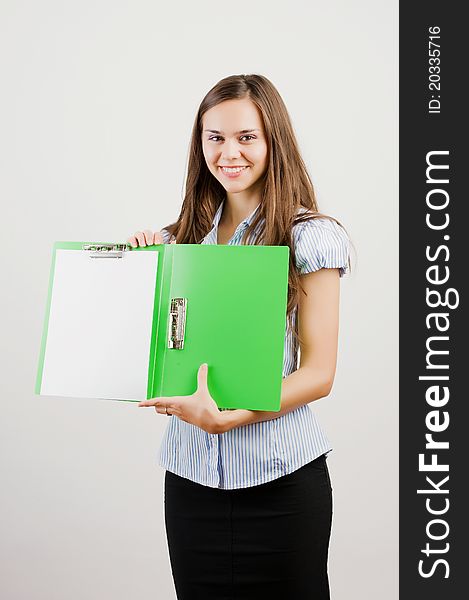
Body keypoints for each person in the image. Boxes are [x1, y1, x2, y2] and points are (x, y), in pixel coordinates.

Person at [128, 74, 351, 600]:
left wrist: (230, 419)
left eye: (246, 137)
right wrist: (136, 266)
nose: (229, 152)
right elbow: (157, 350)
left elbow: (319, 374)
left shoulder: (309, 236)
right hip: (190, 485)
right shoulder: (180, 242)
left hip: (282, 485)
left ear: (274, 141)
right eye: (215, 138)